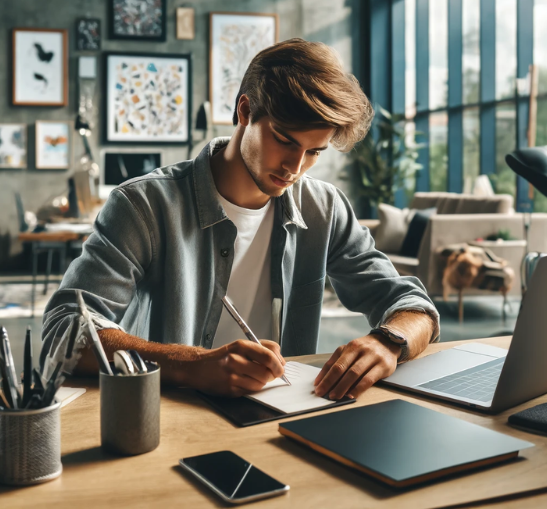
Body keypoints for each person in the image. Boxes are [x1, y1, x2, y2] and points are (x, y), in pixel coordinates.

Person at [43, 38, 439, 401]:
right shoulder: (143, 205)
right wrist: (192, 364)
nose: (295, 167)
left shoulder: (325, 208)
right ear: (245, 111)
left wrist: (388, 341)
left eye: (314, 152)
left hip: (280, 418)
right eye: (285, 140)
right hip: (164, 417)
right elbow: (64, 332)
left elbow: (412, 305)